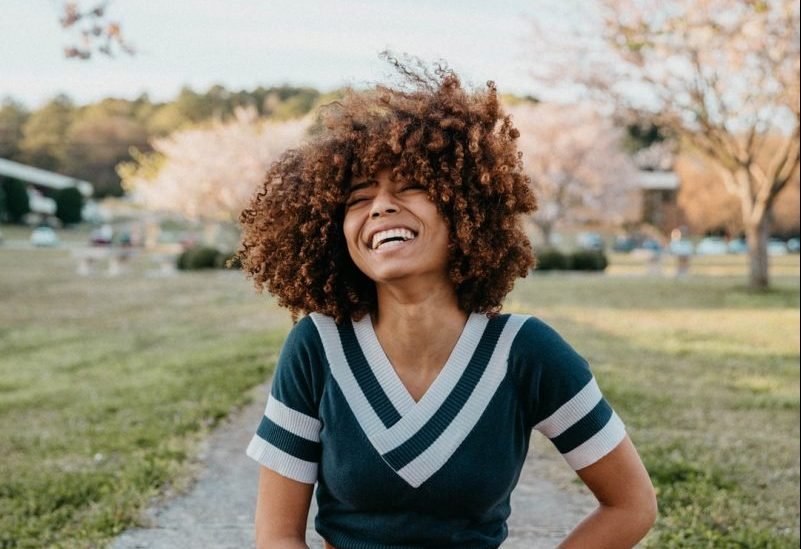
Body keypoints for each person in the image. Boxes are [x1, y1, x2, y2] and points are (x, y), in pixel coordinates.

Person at [236, 56, 657, 549]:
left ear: (466, 210)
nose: (381, 206)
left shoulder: (525, 352)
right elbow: (277, 539)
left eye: (411, 186)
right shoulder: (317, 345)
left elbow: (632, 505)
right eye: (357, 198)